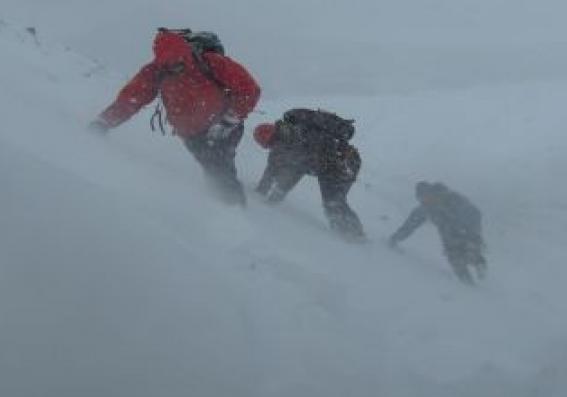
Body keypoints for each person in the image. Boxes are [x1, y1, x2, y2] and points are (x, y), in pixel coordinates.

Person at [90, 28, 260, 205]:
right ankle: (226, 208)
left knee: (218, 168)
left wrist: (227, 121)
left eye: (180, 64)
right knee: (215, 169)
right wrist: (103, 122)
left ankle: (229, 210)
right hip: (204, 132)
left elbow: (250, 90)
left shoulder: (194, 64)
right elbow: (131, 100)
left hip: (211, 130)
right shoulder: (164, 70)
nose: (177, 70)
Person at [252, 109, 366, 240]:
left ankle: (354, 235)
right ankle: (346, 233)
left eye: (271, 144)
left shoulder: (294, 142)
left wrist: (273, 196)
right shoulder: (292, 136)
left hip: (341, 165)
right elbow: (274, 169)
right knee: (333, 202)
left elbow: (289, 174)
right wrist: (264, 192)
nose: (274, 148)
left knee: (333, 202)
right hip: (342, 163)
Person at [389, 181, 487, 284]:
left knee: (470, 252)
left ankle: (480, 264)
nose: (425, 200)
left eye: (426, 196)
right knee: (456, 261)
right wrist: (395, 238)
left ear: (431, 192)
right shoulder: (426, 209)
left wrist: (473, 234)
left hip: (467, 232)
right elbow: (410, 224)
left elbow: (474, 213)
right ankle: (468, 285)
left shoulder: (452, 198)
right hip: (449, 238)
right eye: (421, 198)